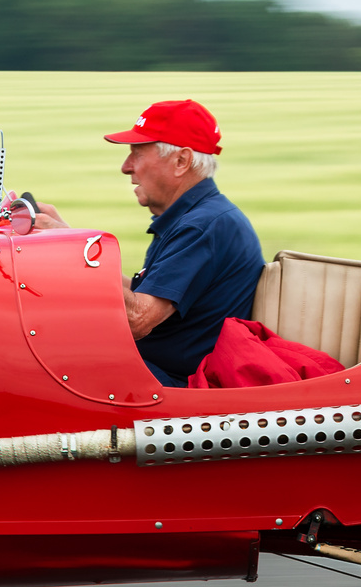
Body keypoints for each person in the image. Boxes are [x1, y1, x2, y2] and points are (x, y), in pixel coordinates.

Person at [34, 100, 265, 387]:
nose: (125, 167)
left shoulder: (203, 226)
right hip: (155, 370)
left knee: (35, 358)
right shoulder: (196, 216)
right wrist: (69, 238)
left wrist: (65, 249)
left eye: (137, 153)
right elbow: (142, 293)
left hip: (171, 387)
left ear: (181, 161)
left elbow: (138, 319)